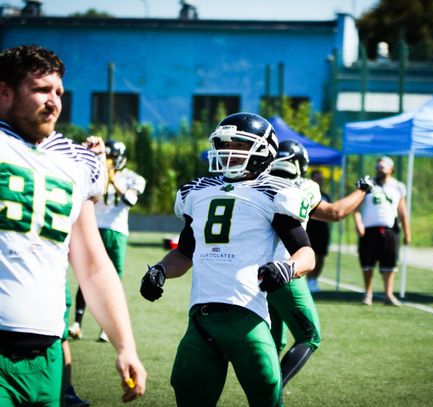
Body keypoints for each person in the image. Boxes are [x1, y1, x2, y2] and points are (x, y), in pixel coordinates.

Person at [0, 44, 145, 404]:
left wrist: (125, 345)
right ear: (4, 92)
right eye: (41, 90)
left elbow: (93, 265)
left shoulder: (74, 163)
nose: (54, 102)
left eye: (59, 92)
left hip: (47, 354)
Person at [140, 113, 316, 406]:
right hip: (201, 320)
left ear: (263, 151)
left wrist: (287, 268)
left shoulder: (276, 191)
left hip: (248, 317)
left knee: (267, 395)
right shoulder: (198, 192)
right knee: (187, 392)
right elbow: (184, 253)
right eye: (225, 145)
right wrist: (160, 270)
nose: (229, 152)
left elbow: (307, 254)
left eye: (239, 145)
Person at [268, 139, 374, 386]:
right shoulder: (305, 186)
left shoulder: (258, 184)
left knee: (273, 340)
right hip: (286, 268)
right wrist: (362, 189)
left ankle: (262, 391)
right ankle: (271, 392)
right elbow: (335, 213)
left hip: (258, 271)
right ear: (299, 164)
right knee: (309, 336)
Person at [70, 140, 146, 342]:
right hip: (94, 228)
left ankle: (106, 327)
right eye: (108, 156)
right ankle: (77, 323)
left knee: (113, 280)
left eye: (112, 157)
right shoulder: (96, 172)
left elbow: (130, 200)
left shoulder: (132, 177)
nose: (109, 160)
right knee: (87, 276)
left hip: (117, 231)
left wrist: (112, 178)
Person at [354, 156, 411, 306]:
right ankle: (368, 293)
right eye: (377, 167)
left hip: (389, 229)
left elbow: (402, 210)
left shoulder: (398, 186)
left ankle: (388, 294)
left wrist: (407, 232)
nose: (379, 169)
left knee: (389, 263)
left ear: (391, 168)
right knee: (367, 263)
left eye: (382, 166)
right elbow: (356, 206)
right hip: (368, 229)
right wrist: (358, 223)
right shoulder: (368, 184)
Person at [305, 170, 332, 293]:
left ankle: (314, 280)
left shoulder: (325, 196)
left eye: (321, 179)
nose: (319, 181)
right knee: (309, 255)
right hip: (309, 229)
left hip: (322, 230)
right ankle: (308, 280)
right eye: (317, 179)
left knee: (321, 256)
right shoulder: (306, 194)